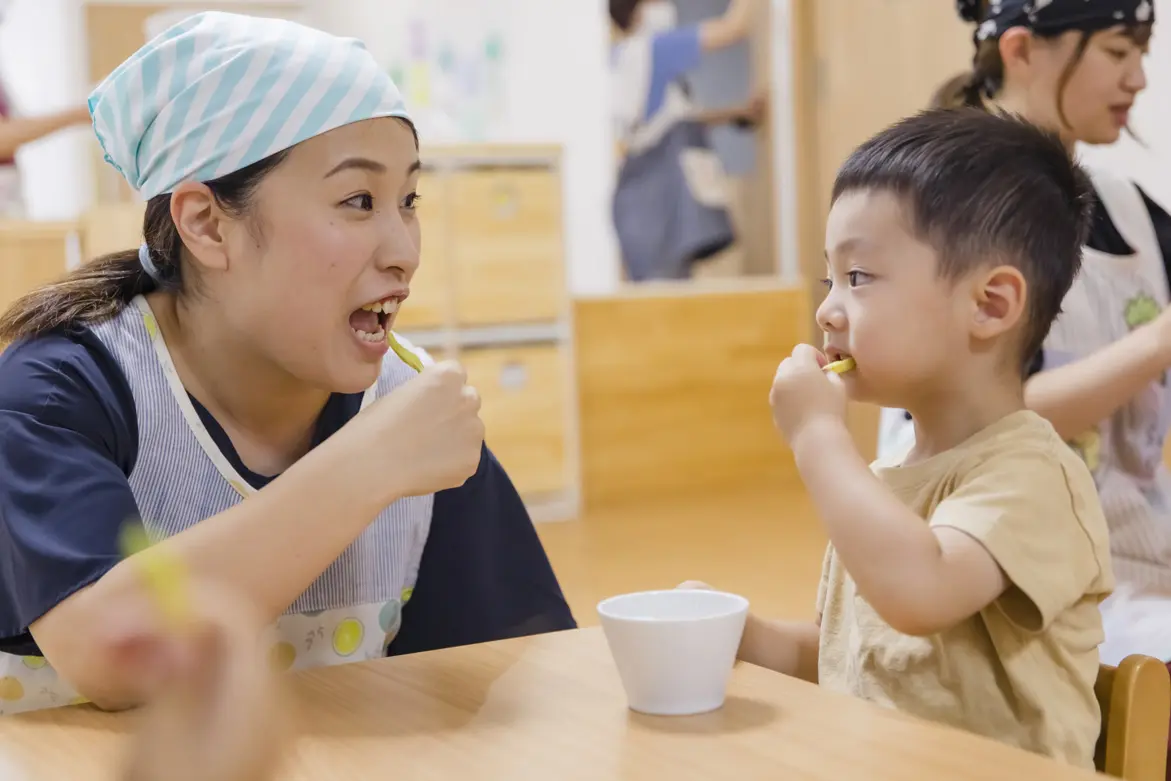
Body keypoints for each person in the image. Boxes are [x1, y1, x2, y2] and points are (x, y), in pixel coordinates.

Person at [0, 11, 575, 717]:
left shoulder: (409, 409)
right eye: (358, 200)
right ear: (207, 224)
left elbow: (516, 671)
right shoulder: (57, 391)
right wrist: (369, 465)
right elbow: (113, 653)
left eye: (408, 201)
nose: (405, 251)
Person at [688, 108, 1115, 768]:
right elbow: (860, 661)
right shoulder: (886, 478)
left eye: (857, 278)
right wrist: (748, 637)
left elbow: (921, 593)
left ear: (990, 304)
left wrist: (817, 434)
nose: (826, 309)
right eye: (829, 280)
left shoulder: (1034, 476)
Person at [878, 0, 1171, 671]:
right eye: (1116, 51)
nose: (1137, 79)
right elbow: (972, 421)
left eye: (1141, 54)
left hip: (1130, 558)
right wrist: (1154, 345)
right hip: (998, 577)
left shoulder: (1129, 210)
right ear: (1019, 50)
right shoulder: (947, 210)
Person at [609, 0, 763, 281]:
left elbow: (669, 121)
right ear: (639, 10)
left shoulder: (621, 56)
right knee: (668, 294)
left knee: (662, 293)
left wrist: (736, 113)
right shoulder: (656, 48)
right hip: (657, 202)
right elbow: (733, 28)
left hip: (636, 203)